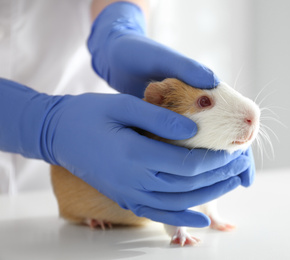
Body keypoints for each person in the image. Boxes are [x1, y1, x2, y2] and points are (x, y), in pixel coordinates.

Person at [0, 0, 255, 227]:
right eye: (202, 102)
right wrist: (41, 123)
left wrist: (119, 19)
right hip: (70, 140)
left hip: (84, 142)